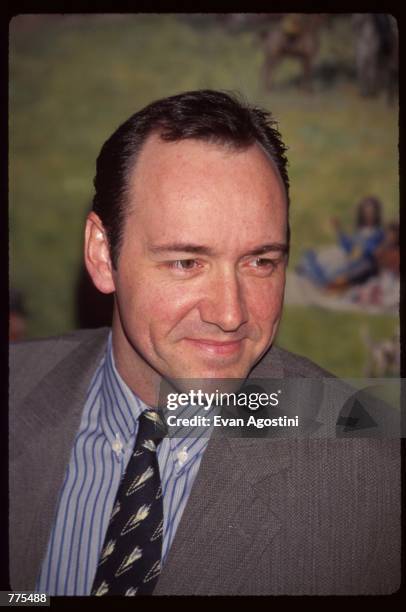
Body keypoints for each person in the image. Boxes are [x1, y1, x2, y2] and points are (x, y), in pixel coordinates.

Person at [10, 90, 399, 596]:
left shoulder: (376, 480)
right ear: (103, 255)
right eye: (186, 263)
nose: (231, 314)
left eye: (260, 261)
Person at [298, 195, 385, 290]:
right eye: (366, 212)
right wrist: (338, 230)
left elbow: (373, 252)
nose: (369, 215)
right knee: (326, 254)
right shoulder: (360, 231)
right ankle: (308, 271)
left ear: (376, 213)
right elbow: (348, 246)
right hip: (351, 255)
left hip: (360, 262)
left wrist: (360, 250)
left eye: (371, 212)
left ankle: (319, 280)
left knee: (336, 263)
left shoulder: (378, 232)